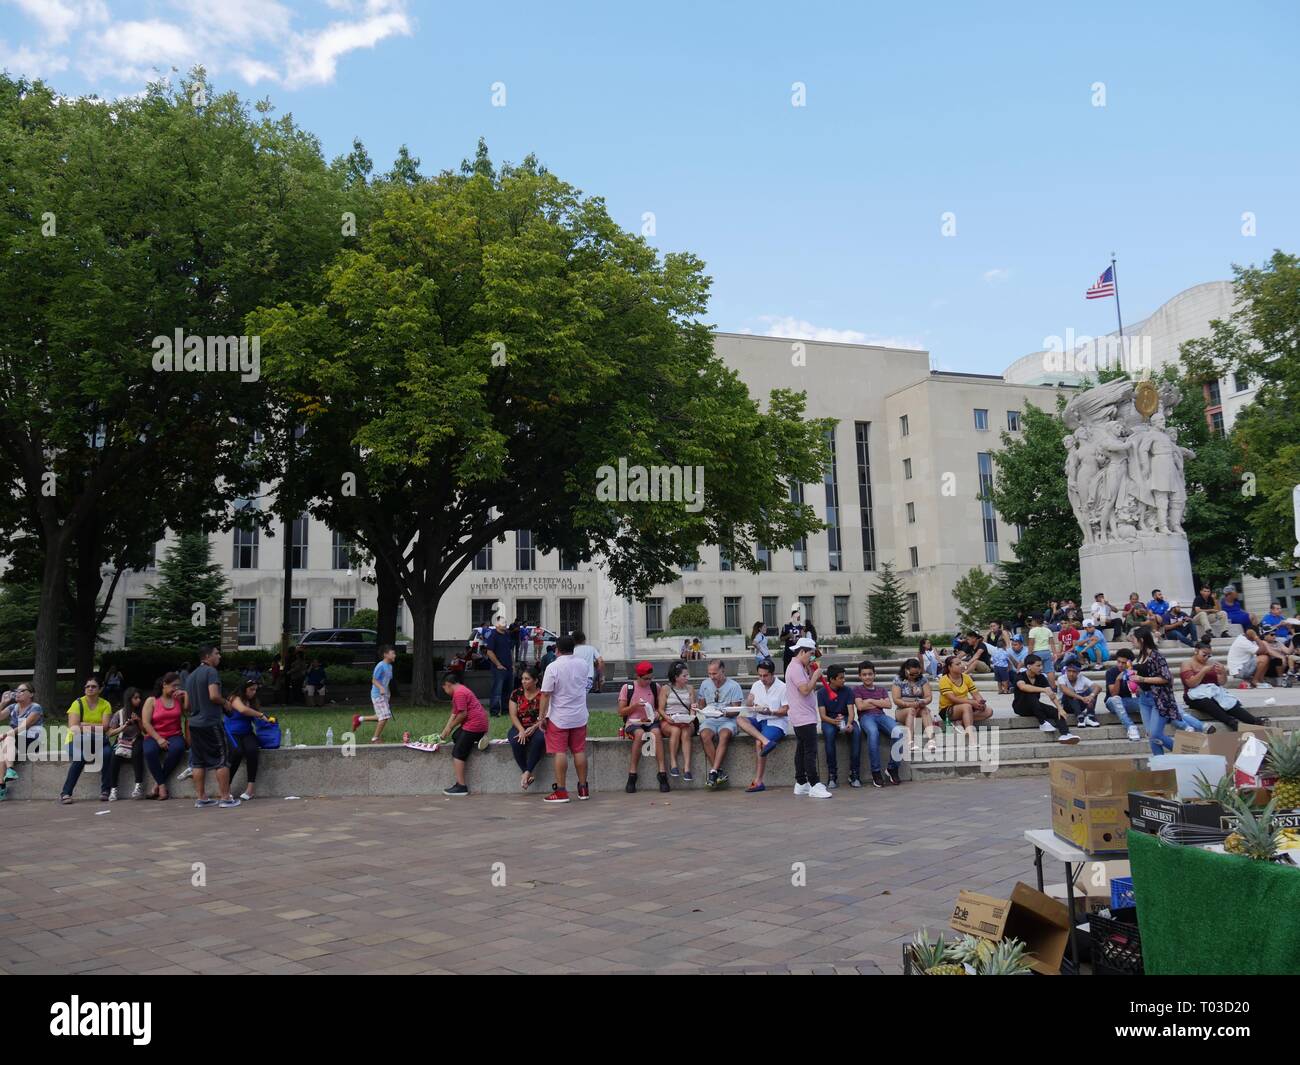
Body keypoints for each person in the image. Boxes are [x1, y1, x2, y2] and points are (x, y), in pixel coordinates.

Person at [184, 645, 240, 809]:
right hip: (211, 722)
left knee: (198, 762)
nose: (219, 656)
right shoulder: (211, 672)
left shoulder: (190, 676)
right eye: (217, 653)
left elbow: (187, 704)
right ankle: (225, 797)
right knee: (221, 760)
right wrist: (225, 703)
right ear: (207, 657)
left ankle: (201, 798)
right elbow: (214, 695)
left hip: (194, 724)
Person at [537, 635, 591, 802]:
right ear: (573, 648)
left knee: (560, 752)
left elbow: (545, 694)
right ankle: (583, 789)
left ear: (557, 649)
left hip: (559, 717)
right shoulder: (583, 664)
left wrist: (541, 717)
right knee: (579, 751)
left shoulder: (553, 667)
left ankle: (561, 791)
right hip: (580, 715)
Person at [1179, 643, 1264, 731]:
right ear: (1196, 651)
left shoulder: (1212, 662)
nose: (1206, 657)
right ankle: (1230, 721)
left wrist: (1222, 673)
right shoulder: (1187, 664)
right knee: (1208, 702)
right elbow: (1191, 683)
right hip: (1194, 695)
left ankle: (1253, 721)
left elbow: (1222, 682)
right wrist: (1203, 671)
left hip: (1213, 691)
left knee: (1228, 702)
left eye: (1209, 655)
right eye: (1204, 654)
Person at [785, 637, 831, 798]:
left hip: (802, 715)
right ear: (802, 652)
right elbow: (805, 690)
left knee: (802, 750)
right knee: (810, 751)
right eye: (810, 655)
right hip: (804, 717)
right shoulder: (796, 668)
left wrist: (811, 673)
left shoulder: (797, 667)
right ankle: (814, 783)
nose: (812, 658)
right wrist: (816, 676)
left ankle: (801, 782)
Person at [60, 676, 114, 804]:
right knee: (81, 757)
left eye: (94, 686)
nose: (90, 688)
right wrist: (95, 727)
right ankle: (66, 793)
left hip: (98, 741)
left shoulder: (105, 704)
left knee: (107, 754)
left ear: (100, 689)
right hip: (77, 741)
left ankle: (105, 790)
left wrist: (84, 725)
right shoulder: (77, 703)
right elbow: (73, 727)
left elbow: (106, 727)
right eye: (87, 686)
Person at [617, 661, 669, 794]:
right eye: (645, 679)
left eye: (650, 678)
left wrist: (657, 714)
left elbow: (660, 707)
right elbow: (621, 712)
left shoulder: (654, 687)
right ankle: (632, 774)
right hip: (633, 723)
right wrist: (634, 707)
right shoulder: (627, 688)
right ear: (638, 677)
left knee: (656, 733)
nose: (648, 681)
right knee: (639, 734)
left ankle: (662, 773)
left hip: (650, 721)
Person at [739, 658, 788, 793]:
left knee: (758, 743)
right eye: (760, 675)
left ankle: (758, 781)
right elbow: (749, 706)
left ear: (772, 674)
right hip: (759, 719)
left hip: (775, 722)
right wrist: (749, 702)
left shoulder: (782, 687)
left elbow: (786, 710)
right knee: (740, 719)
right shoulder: (756, 685)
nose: (762, 678)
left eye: (765, 675)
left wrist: (770, 711)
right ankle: (766, 741)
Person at [439, 672, 491, 796]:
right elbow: (454, 713)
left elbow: (462, 714)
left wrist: (450, 726)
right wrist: (446, 730)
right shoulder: (461, 690)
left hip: (474, 726)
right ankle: (479, 739)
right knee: (456, 736)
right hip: (479, 725)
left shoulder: (459, 693)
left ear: (448, 685)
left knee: (457, 753)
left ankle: (461, 786)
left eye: (444, 688)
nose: (445, 690)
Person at [696, 659, 744, 789]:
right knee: (704, 735)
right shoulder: (705, 684)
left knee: (724, 735)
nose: (712, 677)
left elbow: (736, 710)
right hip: (710, 719)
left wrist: (723, 713)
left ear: (723, 671)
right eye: (710, 674)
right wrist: (698, 707)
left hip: (727, 719)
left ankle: (713, 772)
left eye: (715, 673)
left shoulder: (734, 686)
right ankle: (718, 771)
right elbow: (702, 704)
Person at [853, 661, 902, 787]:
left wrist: (869, 700)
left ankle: (892, 768)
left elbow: (888, 704)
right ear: (860, 676)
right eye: (864, 675)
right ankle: (876, 772)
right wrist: (878, 702)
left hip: (881, 716)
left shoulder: (881, 689)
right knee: (873, 733)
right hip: (866, 718)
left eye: (870, 674)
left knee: (900, 732)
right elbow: (860, 706)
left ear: (874, 674)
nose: (867, 677)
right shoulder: (857, 690)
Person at [1011, 654, 1079, 743]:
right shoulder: (1020, 675)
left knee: (1055, 711)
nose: (1041, 668)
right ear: (1029, 666)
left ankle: (1065, 734)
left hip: (1035, 706)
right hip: (1021, 707)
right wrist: (1043, 689)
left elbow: (1051, 693)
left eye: (1041, 665)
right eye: (1038, 665)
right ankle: (1042, 722)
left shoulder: (1041, 677)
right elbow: (1023, 687)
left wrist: (1060, 708)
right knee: (1030, 694)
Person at [1131, 627, 1177, 756]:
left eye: (1134, 639)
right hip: (1144, 698)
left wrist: (1143, 679)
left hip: (1158, 698)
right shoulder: (1140, 656)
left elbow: (1165, 678)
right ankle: (1160, 763)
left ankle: (1181, 751)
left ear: (1141, 640)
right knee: (1151, 735)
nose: (1132, 642)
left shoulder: (1156, 656)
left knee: (1156, 733)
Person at [142, 673, 188, 800]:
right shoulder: (151, 700)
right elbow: (146, 723)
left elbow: (188, 712)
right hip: (154, 735)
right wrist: (158, 738)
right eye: (174, 686)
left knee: (177, 749)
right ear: (164, 685)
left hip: (175, 734)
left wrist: (186, 696)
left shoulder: (178, 699)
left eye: (178, 686)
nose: (176, 689)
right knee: (149, 751)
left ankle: (157, 784)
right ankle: (162, 786)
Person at [224, 679, 270, 801]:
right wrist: (260, 714)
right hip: (232, 732)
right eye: (251, 689)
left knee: (252, 750)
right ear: (244, 688)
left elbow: (254, 718)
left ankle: (250, 789)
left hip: (247, 733)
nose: (253, 692)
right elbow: (242, 710)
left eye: (255, 690)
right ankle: (226, 788)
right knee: (237, 752)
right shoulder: (234, 698)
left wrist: (266, 721)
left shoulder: (253, 701)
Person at [816, 663, 859, 790]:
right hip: (829, 719)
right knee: (829, 734)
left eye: (843, 677)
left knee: (856, 732)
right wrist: (834, 722)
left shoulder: (848, 691)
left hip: (845, 717)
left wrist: (849, 723)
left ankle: (854, 773)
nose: (843, 680)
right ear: (832, 680)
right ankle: (832, 775)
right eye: (841, 678)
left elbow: (851, 712)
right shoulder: (822, 693)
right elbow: (822, 716)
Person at [507, 666, 550, 791]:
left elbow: (547, 714)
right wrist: (521, 730)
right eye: (522, 679)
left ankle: (527, 773)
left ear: (536, 680)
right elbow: (513, 715)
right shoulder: (516, 694)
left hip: (538, 726)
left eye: (527, 679)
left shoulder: (543, 694)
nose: (523, 681)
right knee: (516, 741)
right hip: (519, 726)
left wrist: (534, 726)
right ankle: (526, 772)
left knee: (539, 740)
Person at [0, 684, 44, 801]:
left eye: (21, 691)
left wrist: (5, 735)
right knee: (2, 750)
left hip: (32, 742)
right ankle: (3, 783)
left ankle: (7, 775)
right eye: (16, 691)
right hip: (14, 742)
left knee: (8, 736)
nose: (17, 693)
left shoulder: (36, 708)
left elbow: (24, 726)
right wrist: (3, 702)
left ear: (31, 694)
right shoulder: (13, 707)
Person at [104, 687, 147, 801]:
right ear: (129, 699)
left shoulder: (143, 711)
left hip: (137, 739)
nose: (138, 700)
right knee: (114, 757)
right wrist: (123, 727)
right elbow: (109, 732)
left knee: (137, 753)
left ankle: (138, 786)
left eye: (139, 698)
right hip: (122, 740)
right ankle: (113, 789)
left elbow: (146, 732)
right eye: (135, 698)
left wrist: (139, 721)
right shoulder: (120, 714)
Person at [658, 661, 697, 781]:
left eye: (687, 675)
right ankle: (673, 763)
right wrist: (667, 718)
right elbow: (660, 709)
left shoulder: (690, 689)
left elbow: (692, 708)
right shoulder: (666, 689)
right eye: (684, 676)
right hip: (670, 719)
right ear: (676, 677)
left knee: (685, 732)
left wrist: (691, 716)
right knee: (675, 731)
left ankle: (687, 768)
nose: (687, 678)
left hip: (686, 720)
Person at [937, 656, 991, 738]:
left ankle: (960, 722)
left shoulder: (966, 677)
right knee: (967, 706)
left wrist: (980, 702)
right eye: (957, 664)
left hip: (965, 705)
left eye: (961, 663)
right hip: (947, 709)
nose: (961, 665)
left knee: (988, 711)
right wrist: (971, 702)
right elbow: (953, 698)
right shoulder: (944, 679)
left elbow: (976, 694)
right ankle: (970, 734)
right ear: (949, 667)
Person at [891, 658, 937, 756]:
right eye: (911, 674)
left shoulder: (922, 679)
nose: (914, 676)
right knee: (911, 710)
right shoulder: (898, 679)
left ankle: (931, 739)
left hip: (919, 707)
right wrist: (910, 704)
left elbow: (929, 697)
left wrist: (923, 702)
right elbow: (896, 700)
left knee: (925, 710)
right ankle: (910, 741)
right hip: (902, 710)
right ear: (906, 670)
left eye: (916, 674)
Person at [354, 645, 397, 741]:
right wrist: (381, 688)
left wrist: (388, 694)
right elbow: (374, 680)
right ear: (386, 655)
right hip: (377, 695)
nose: (395, 655)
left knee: (380, 716)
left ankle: (359, 719)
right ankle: (375, 739)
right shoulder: (380, 666)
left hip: (384, 695)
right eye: (393, 653)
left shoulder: (390, 666)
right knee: (384, 717)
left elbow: (387, 682)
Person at [1104, 648, 1145, 742]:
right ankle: (1130, 727)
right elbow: (1113, 694)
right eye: (1118, 661)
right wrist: (1118, 679)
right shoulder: (1111, 672)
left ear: (1129, 663)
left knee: (1146, 699)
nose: (1120, 665)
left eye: (1123, 663)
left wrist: (1136, 683)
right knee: (1116, 699)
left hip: (1127, 701)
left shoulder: (1134, 672)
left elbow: (1140, 695)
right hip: (1112, 702)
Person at [482, 614, 514, 718]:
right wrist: (498, 664)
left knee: (508, 690)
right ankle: (494, 712)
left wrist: (512, 664)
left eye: (505, 623)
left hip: (509, 667)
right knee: (497, 691)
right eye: (502, 623)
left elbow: (510, 651)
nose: (505, 625)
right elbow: (489, 652)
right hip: (498, 669)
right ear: (496, 624)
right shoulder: (493, 635)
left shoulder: (507, 635)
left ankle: (506, 710)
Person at [1059, 658, 1102, 728]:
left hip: (1080, 704)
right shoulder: (1062, 678)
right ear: (1066, 670)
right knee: (1070, 693)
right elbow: (1065, 690)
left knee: (1092, 691)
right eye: (1069, 671)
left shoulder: (1082, 678)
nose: (1071, 674)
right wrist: (1081, 698)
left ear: (1078, 672)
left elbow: (1098, 687)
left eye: (1074, 672)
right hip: (1066, 706)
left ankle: (1090, 716)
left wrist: (1091, 696)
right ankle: (1080, 718)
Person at [1026, 615, 1058, 690]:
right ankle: (1053, 686)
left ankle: (1036, 685)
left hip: (1036, 652)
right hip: (1046, 651)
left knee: (1035, 669)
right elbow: (1052, 643)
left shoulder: (1032, 631)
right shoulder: (1048, 630)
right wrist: (1054, 653)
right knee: (1049, 670)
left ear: (1035, 621)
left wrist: (1029, 654)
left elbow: (1031, 644)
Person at [780, 605, 806, 674]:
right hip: (788, 651)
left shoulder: (801, 627)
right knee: (787, 670)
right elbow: (781, 638)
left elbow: (804, 640)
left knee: (798, 670)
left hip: (798, 652)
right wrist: (788, 635)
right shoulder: (786, 626)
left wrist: (801, 637)